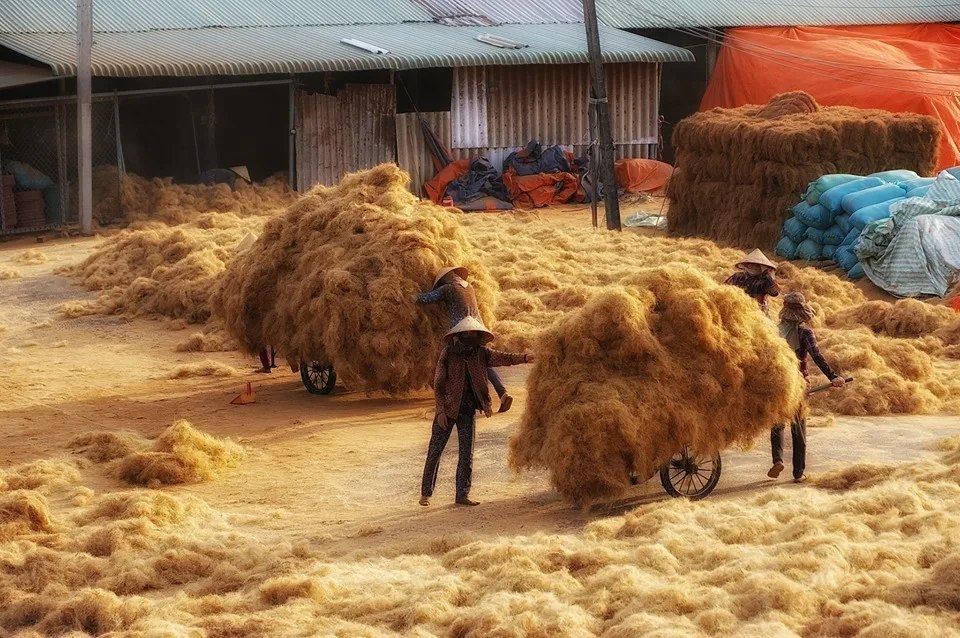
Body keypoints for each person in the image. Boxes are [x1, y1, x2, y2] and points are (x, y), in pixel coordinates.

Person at [420, 316, 534, 507]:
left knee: (467, 454)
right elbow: (438, 384)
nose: (470, 335)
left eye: (473, 333)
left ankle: (462, 495)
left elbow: (504, 358)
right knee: (435, 451)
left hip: (467, 411)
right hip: (447, 410)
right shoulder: (448, 353)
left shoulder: (481, 353)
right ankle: (425, 494)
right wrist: (439, 410)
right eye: (467, 333)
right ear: (459, 335)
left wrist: (524, 357)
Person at [769, 292, 845, 483]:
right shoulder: (805, 333)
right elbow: (817, 357)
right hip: (797, 383)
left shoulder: (775, 331)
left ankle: (777, 459)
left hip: (777, 381)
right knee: (798, 426)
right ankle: (798, 473)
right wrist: (833, 377)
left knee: (777, 423)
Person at [416, 266, 515, 413]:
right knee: (483, 362)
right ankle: (502, 393)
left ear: (447, 278)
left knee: (454, 363)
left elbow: (426, 298)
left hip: (462, 331)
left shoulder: (448, 289)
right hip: (478, 328)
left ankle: (457, 400)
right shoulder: (469, 287)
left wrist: (407, 294)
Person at [725, 249, 780, 315]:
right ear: (746, 265)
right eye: (751, 264)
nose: (754, 266)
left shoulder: (764, 280)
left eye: (757, 265)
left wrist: (768, 276)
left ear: (762, 267)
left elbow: (774, 293)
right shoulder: (737, 276)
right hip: (738, 309)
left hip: (757, 311)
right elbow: (724, 288)